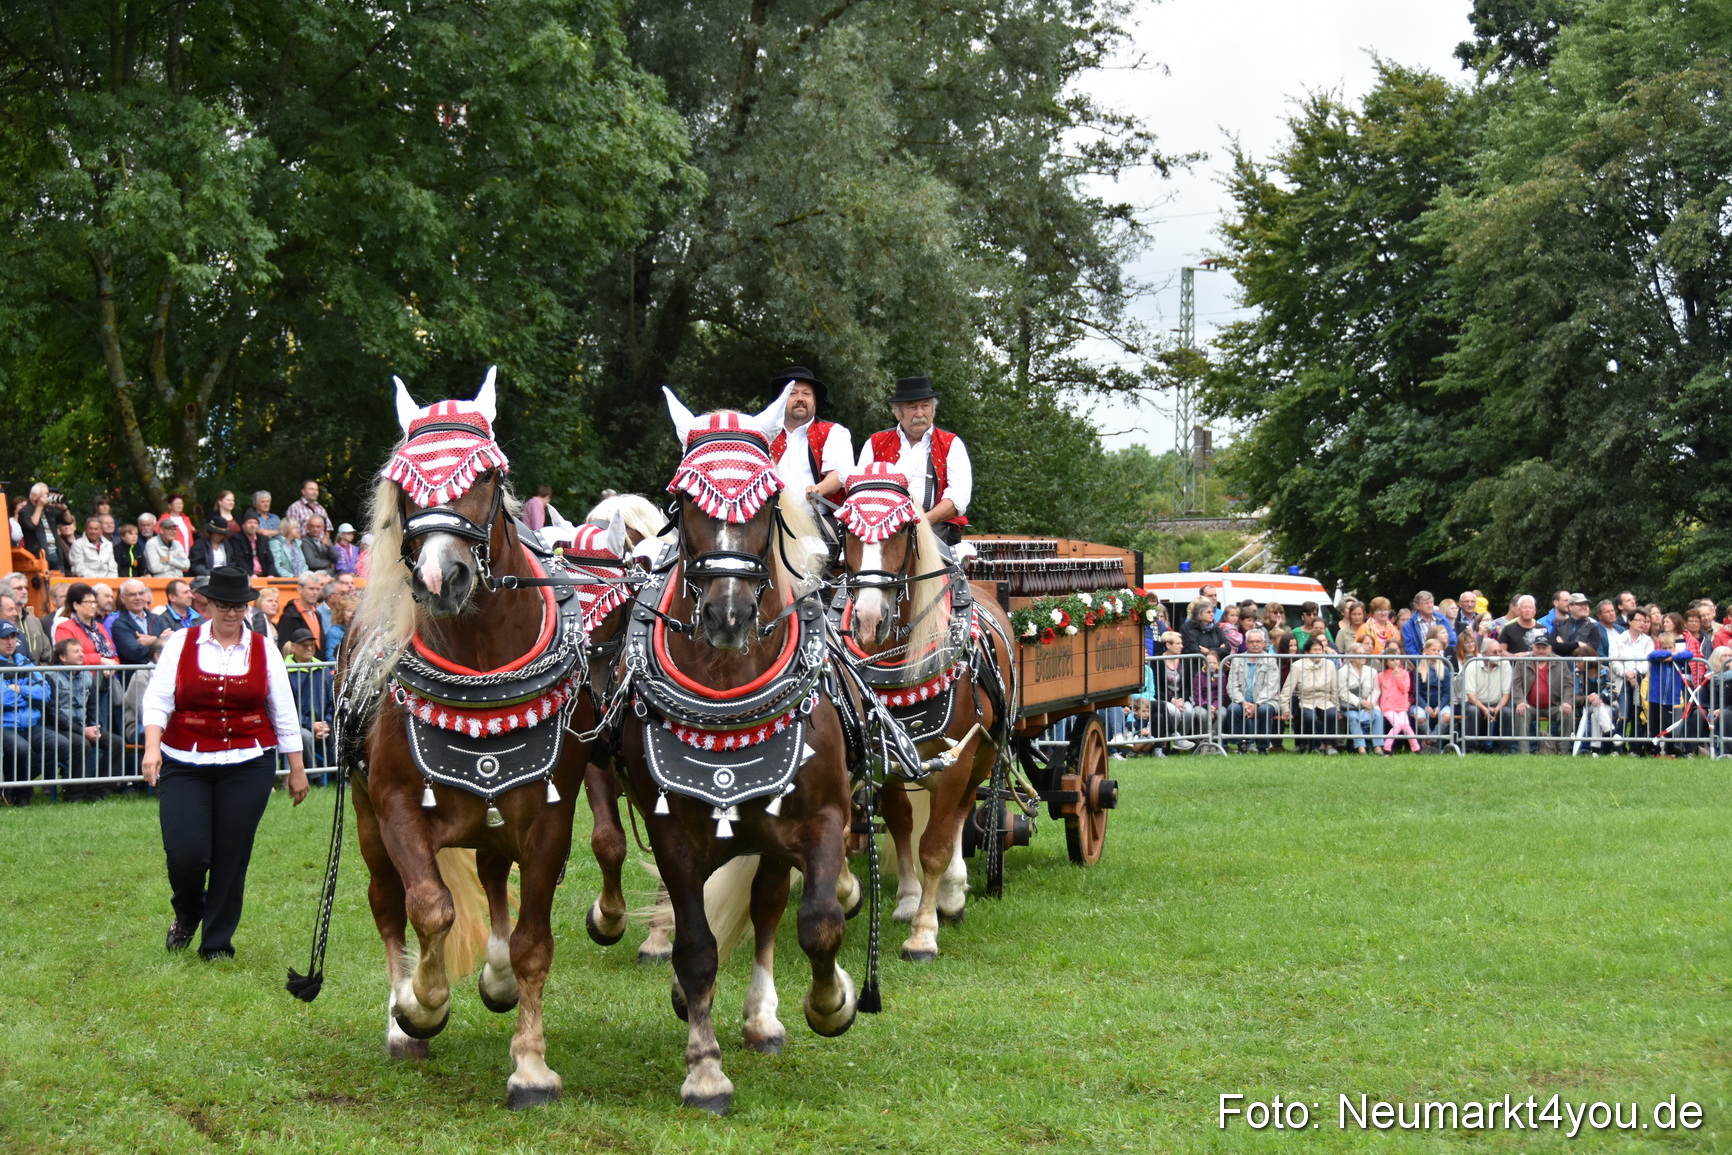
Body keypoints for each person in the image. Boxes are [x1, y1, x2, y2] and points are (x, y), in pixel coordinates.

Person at [141, 567, 310, 960]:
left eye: (238, 606)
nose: (231, 613)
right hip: (185, 759)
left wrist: (296, 769)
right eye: (223, 605)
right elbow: (158, 699)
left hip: (248, 762)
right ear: (208, 605)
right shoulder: (181, 643)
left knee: (232, 854)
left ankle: (217, 942)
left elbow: (283, 710)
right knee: (186, 854)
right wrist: (153, 748)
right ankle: (188, 911)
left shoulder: (264, 648)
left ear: (246, 607)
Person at [856, 375, 972, 548]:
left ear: (933, 410)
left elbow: (958, 498)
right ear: (897, 413)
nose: (920, 413)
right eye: (912, 407)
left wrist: (923, 521)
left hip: (935, 525)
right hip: (881, 528)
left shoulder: (951, 444)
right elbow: (859, 492)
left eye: (925, 406)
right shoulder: (875, 443)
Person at [1, 621, 69, 806]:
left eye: (13, 637)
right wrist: (28, 694)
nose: (10, 641)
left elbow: (45, 693)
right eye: (4, 637)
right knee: (21, 749)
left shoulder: (24, 662)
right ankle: (21, 794)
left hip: (30, 724)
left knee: (61, 745)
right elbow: (3, 699)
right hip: (5, 725)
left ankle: (14, 784)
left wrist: (19, 690)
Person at [769, 366, 855, 512]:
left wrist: (819, 489)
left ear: (814, 400)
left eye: (807, 394)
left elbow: (840, 474)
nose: (800, 399)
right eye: (792, 393)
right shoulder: (766, 436)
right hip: (773, 521)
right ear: (781, 400)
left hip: (820, 519)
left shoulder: (834, 432)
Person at [1512, 633, 1576, 754]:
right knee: (1521, 712)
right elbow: (1516, 685)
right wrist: (1520, 701)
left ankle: (1563, 753)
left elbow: (1568, 685)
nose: (1541, 650)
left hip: (1554, 705)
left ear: (1550, 648)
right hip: (1529, 706)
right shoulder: (1522, 662)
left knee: (1568, 713)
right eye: (1538, 647)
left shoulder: (1559, 662)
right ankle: (1524, 754)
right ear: (1533, 647)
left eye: (1544, 648)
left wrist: (1567, 702)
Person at [1225, 627, 1281, 752]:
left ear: (1263, 643)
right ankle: (1241, 745)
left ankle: (1262, 747)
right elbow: (1232, 686)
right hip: (1242, 701)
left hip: (1266, 701)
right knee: (1232, 709)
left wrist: (1257, 704)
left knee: (1265, 710)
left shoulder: (1270, 659)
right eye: (1251, 642)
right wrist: (1243, 703)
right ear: (1246, 643)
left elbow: (1271, 687)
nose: (1255, 644)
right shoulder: (1237, 659)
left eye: (1258, 641)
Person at [1282, 634, 1339, 753]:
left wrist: (1337, 707)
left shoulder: (1330, 665)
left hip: (1325, 700)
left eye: (1320, 650)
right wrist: (1285, 709)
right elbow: (1287, 690)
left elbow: (1334, 689)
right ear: (1307, 652)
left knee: (1332, 714)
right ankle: (1305, 744)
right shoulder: (1297, 666)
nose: (1318, 653)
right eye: (1315, 650)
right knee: (1309, 717)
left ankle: (1327, 745)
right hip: (1306, 701)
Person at [1337, 643, 1383, 753]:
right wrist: (1361, 702)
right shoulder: (1343, 671)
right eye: (1359, 654)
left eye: (1364, 654)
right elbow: (1343, 692)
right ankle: (1361, 747)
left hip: (1369, 704)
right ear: (1351, 656)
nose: (1363, 656)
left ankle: (1378, 747)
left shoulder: (1372, 671)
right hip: (1350, 705)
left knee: (1377, 714)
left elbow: (1376, 690)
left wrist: (1370, 703)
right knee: (1353, 717)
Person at [1411, 637, 1454, 752]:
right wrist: (1426, 707)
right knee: (1419, 717)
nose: (1436, 652)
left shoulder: (1445, 669)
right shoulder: (1419, 669)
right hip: (1422, 704)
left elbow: (1447, 692)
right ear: (1426, 650)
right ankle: (1431, 741)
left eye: (1438, 650)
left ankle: (1429, 741)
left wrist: (1440, 707)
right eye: (1434, 650)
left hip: (1440, 704)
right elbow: (1417, 693)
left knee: (1448, 716)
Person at [111, 579, 162, 666]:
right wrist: (160, 642)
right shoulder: (119, 625)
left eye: (141, 593)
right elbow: (135, 653)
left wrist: (154, 640)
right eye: (132, 594)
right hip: (135, 676)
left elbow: (171, 644)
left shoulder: (156, 619)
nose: (138, 598)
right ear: (122, 598)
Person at [1377, 653, 1420, 754]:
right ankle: (1386, 747)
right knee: (1397, 724)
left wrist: (1398, 677)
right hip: (1387, 706)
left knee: (1406, 725)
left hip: (1401, 706)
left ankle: (1416, 748)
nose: (1395, 662)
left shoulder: (1404, 673)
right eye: (1392, 660)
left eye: (1397, 659)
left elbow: (1405, 689)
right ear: (1386, 662)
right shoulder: (1381, 675)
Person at [278, 573, 328, 654]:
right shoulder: (289, 616)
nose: (315, 592)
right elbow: (283, 647)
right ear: (300, 589)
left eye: (318, 589)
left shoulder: (317, 614)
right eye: (311, 589)